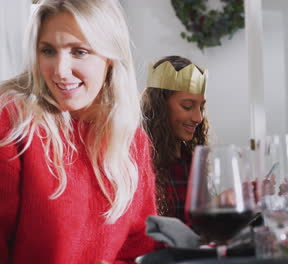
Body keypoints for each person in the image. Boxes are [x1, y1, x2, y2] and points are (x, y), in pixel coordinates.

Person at [0, 0, 160, 263]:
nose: (60, 71)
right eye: (48, 51)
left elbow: (140, 248)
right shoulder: (13, 122)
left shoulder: (132, 142)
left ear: (110, 58)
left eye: (79, 52)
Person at [141, 56, 208, 224]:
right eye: (187, 106)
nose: (198, 117)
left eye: (201, 107)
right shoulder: (138, 161)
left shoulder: (191, 160)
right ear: (160, 106)